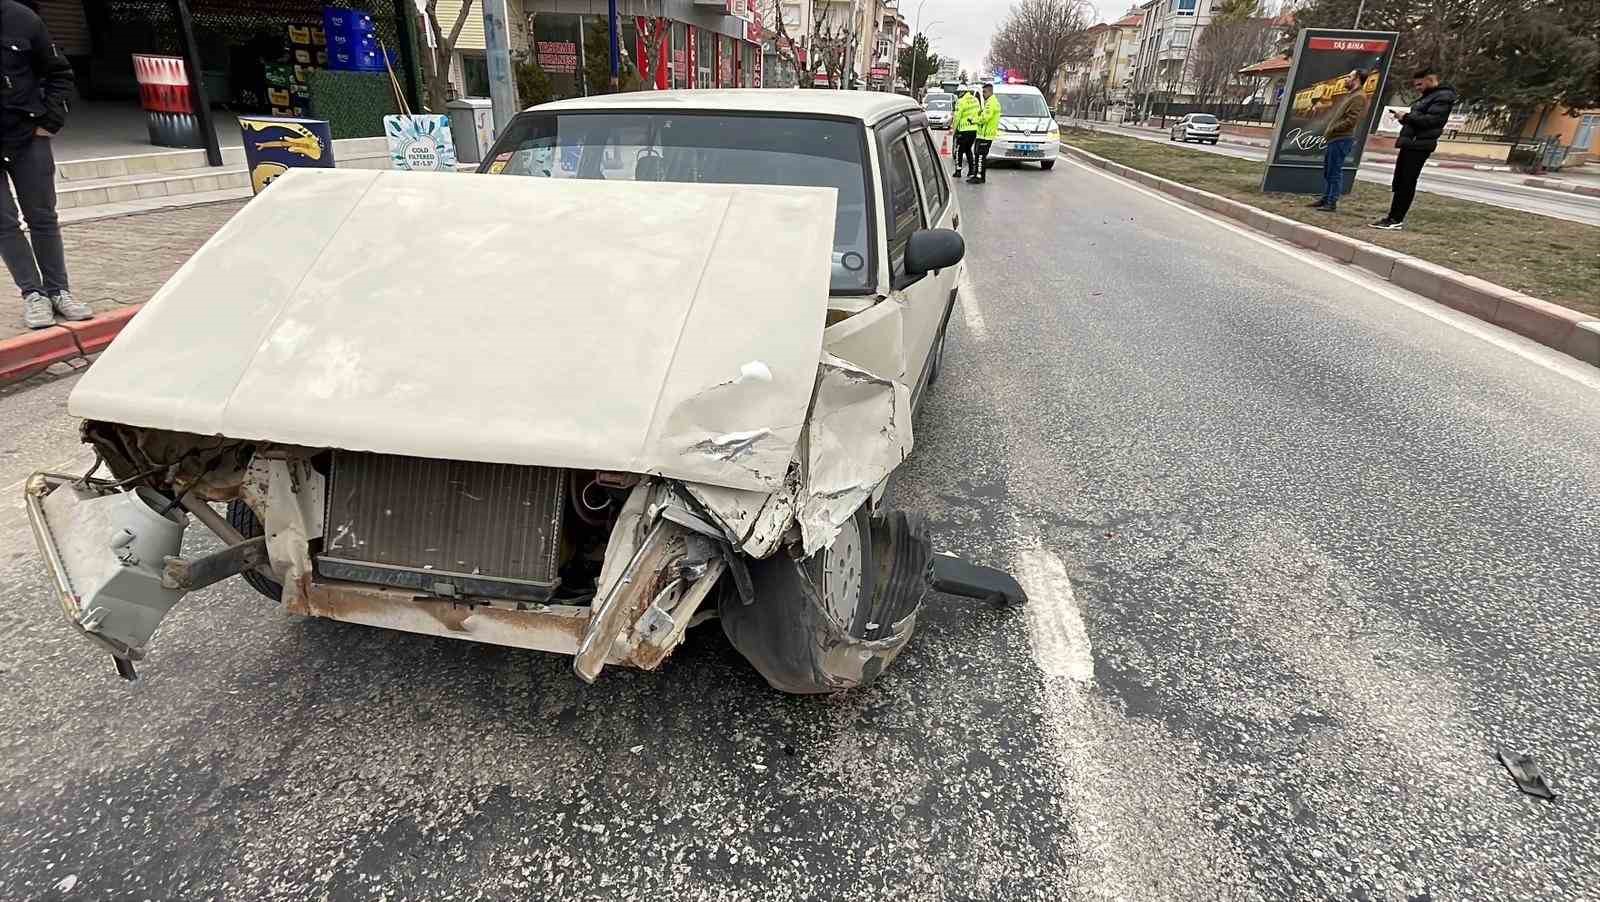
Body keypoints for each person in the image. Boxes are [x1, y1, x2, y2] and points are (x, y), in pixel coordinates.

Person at [0, 0, 87, 330]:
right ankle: (33, 295)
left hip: (27, 135)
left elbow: (59, 72)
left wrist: (50, 121)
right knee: (3, 223)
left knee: (43, 217)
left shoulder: (21, 18)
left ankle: (59, 291)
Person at [1371, 67, 1457, 231]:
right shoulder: (1429, 96)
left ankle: (1396, 219)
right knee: (1400, 181)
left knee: (1407, 182)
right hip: (1411, 142)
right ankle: (1392, 217)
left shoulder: (1443, 97)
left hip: (1419, 145)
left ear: (1430, 80)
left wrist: (1406, 117)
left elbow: (1430, 121)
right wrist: (1403, 119)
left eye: (1419, 84)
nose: (1417, 88)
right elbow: (1419, 120)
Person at [1310, 70, 1370, 213]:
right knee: (1329, 170)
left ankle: (1331, 202)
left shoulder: (1359, 97)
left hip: (1342, 138)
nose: (1346, 79)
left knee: (1335, 171)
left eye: (1349, 77)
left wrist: (1333, 129)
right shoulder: (1351, 95)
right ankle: (1326, 198)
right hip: (1335, 138)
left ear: (1356, 79)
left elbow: (1351, 120)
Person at [969, 83, 1002, 184]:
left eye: (985, 92)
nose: (983, 94)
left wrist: (973, 120)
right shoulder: (989, 102)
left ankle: (979, 176)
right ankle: (978, 175)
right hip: (983, 135)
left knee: (980, 156)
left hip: (986, 136)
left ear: (990, 92)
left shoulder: (991, 103)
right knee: (978, 155)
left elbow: (985, 118)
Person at [952, 87, 979, 178]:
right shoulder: (975, 100)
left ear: (961, 92)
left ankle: (958, 171)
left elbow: (957, 117)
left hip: (963, 130)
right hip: (974, 130)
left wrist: (954, 130)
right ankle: (971, 170)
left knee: (959, 151)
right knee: (968, 150)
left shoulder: (960, 101)